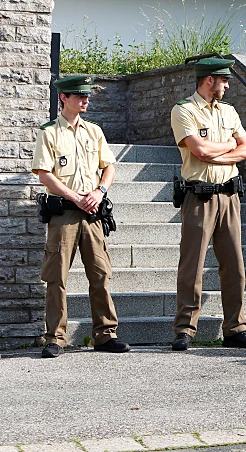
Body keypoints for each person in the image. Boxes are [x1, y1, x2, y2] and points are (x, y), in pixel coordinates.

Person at [32, 75, 130, 358]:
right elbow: (44, 174)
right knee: (57, 277)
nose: (85, 100)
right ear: (64, 98)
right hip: (64, 213)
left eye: (87, 95)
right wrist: (75, 197)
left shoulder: (94, 131)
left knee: (100, 274)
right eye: (79, 96)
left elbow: (109, 167)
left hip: (93, 214)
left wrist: (100, 191)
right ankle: (55, 337)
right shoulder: (50, 132)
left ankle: (106, 334)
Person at [169, 57, 246, 351]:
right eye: (224, 80)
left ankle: (235, 328)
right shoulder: (184, 110)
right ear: (209, 80)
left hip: (230, 196)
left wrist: (216, 153)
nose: (227, 85)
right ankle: (185, 329)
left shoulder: (229, 111)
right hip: (199, 196)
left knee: (234, 266)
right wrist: (229, 146)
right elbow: (199, 151)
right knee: (192, 266)